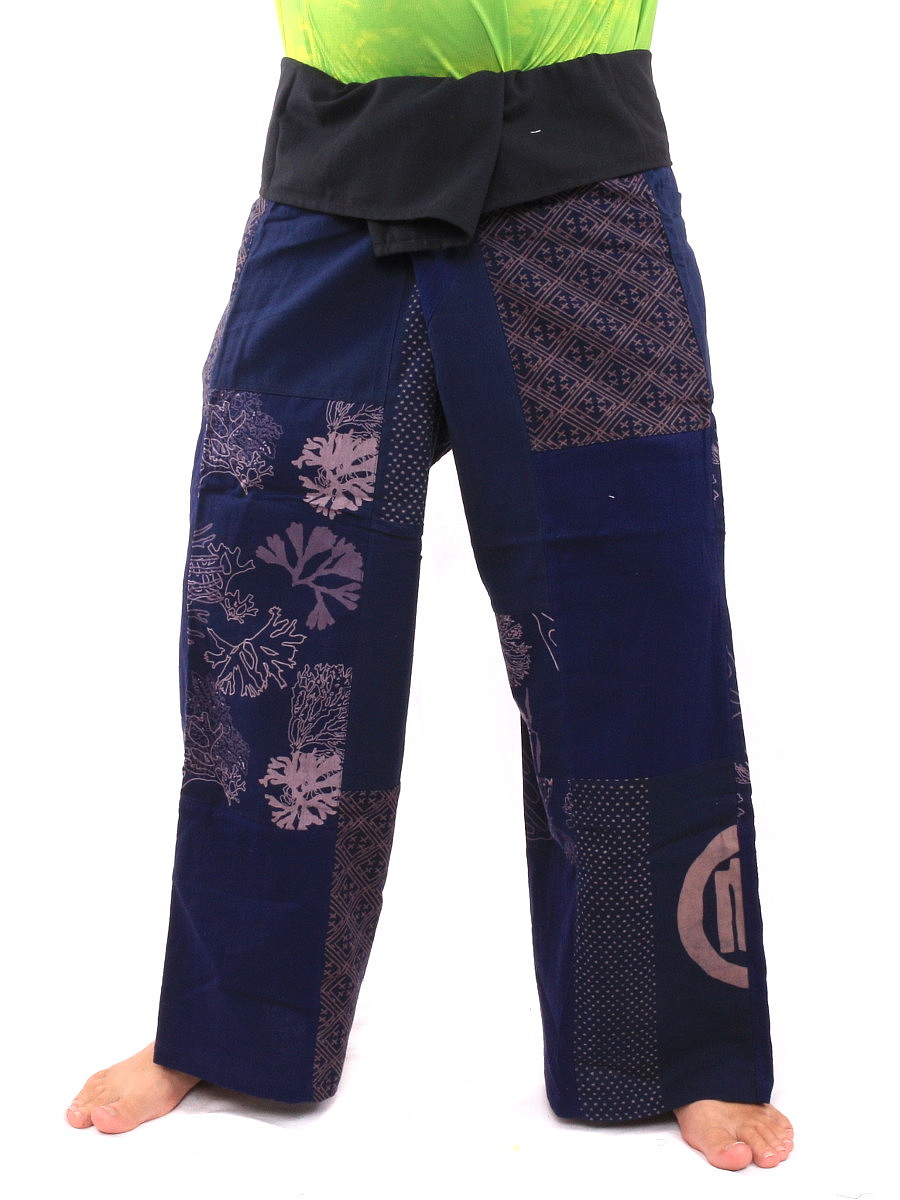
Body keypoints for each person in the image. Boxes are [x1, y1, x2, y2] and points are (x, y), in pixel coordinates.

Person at [66, 0, 794, 1171]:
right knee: (270, 628)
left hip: (582, 189)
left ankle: (673, 1048)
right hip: (330, 184)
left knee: (633, 625)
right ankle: (233, 1022)